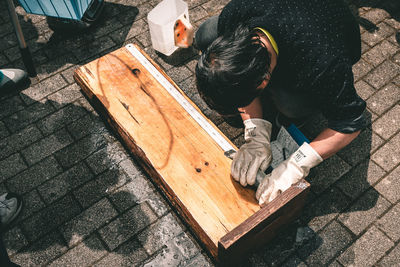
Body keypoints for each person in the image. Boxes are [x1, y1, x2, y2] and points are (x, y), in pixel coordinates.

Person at [194, 0, 366, 205]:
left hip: (332, 31)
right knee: (205, 34)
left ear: (264, 81)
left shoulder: (322, 62)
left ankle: (287, 105)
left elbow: (350, 122)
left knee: (290, 107)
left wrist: (297, 164)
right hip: (289, 19)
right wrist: (256, 133)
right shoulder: (234, 14)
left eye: (243, 101)